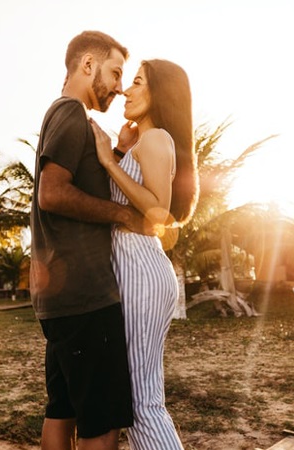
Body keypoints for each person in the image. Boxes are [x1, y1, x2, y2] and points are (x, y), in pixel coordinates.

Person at [30, 31, 148, 450]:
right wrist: (124, 215)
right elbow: (53, 193)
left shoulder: (68, 118)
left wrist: (117, 153)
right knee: (101, 424)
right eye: (115, 72)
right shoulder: (69, 113)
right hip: (85, 298)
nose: (119, 85)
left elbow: (80, 184)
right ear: (87, 65)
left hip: (63, 301)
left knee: (61, 411)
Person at [91, 59, 199, 450]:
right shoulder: (142, 142)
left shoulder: (157, 139)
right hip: (137, 264)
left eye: (136, 82)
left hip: (140, 268)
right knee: (140, 396)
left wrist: (107, 160)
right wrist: (120, 151)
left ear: (159, 94)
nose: (125, 90)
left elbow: (158, 210)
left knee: (140, 402)